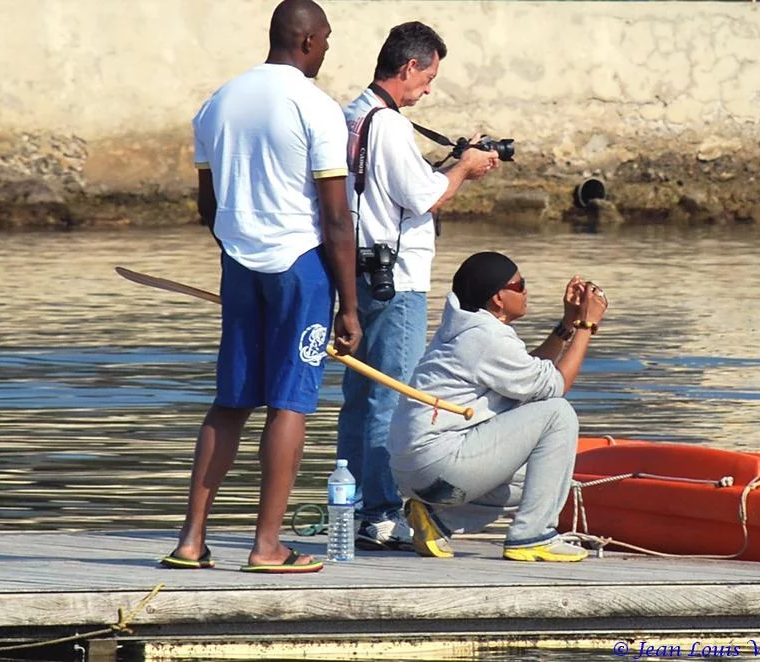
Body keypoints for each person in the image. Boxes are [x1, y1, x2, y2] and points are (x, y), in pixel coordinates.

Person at [162, 0, 361, 574]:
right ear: (306, 41)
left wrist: (237, 252)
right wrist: (349, 307)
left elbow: (208, 204)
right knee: (289, 404)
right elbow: (336, 220)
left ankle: (191, 541)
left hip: (240, 265)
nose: (325, 51)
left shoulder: (217, 102)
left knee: (230, 401)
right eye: (325, 41)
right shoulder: (315, 107)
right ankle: (267, 546)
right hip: (301, 270)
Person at [335, 22, 500, 550]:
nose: (429, 88)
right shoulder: (387, 125)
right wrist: (466, 169)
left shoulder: (352, 115)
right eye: (429, 76)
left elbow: (394, 187)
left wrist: (452, 162)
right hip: (396, 281)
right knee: (394, 398)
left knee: (359, 399)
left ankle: (356, 504)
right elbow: (424, 197)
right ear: (409, 68)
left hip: (357, 274)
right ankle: (382, 512)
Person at [388, 251, 608, 562]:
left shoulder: (471, 329)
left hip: (421, 470)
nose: (527, 290)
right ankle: (532, 536)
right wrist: (586, 326)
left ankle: (437, 519)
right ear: (498, 299)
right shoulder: (485, 337)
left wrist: (567, 325)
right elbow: (556, 385)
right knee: (558, 413)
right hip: (440, 462)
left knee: (540, 475)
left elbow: (528, 377)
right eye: (520, 285)